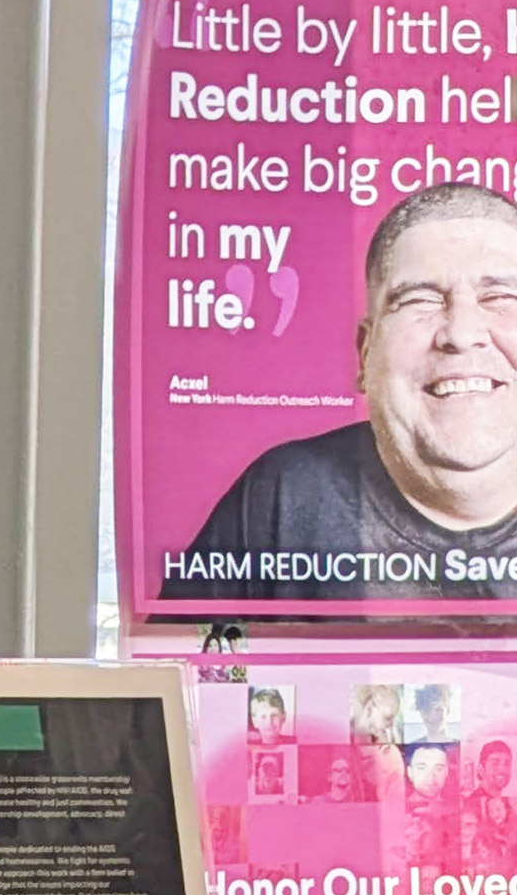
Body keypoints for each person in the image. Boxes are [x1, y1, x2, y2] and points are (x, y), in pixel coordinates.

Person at [160, 181, 517, 606]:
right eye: (419, 300)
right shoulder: (281, 494)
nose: (461, 333)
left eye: (500, 297)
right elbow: (194, 666)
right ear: (365, 355)